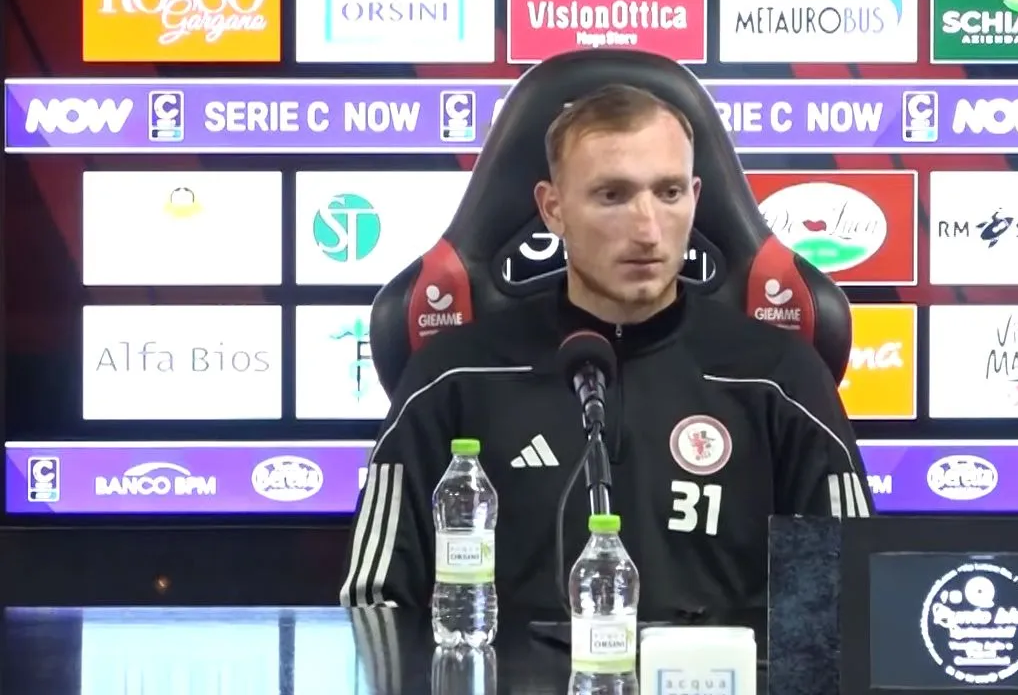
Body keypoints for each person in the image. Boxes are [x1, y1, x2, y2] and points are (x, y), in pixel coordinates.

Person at [339, 84, 875, 616]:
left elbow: (850, 611)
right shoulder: (452, 378)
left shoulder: (780, 378)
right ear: (553, 209)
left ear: (695, 197)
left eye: (669, 193)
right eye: (613, 195)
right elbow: (375, 608)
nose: (647, 230)